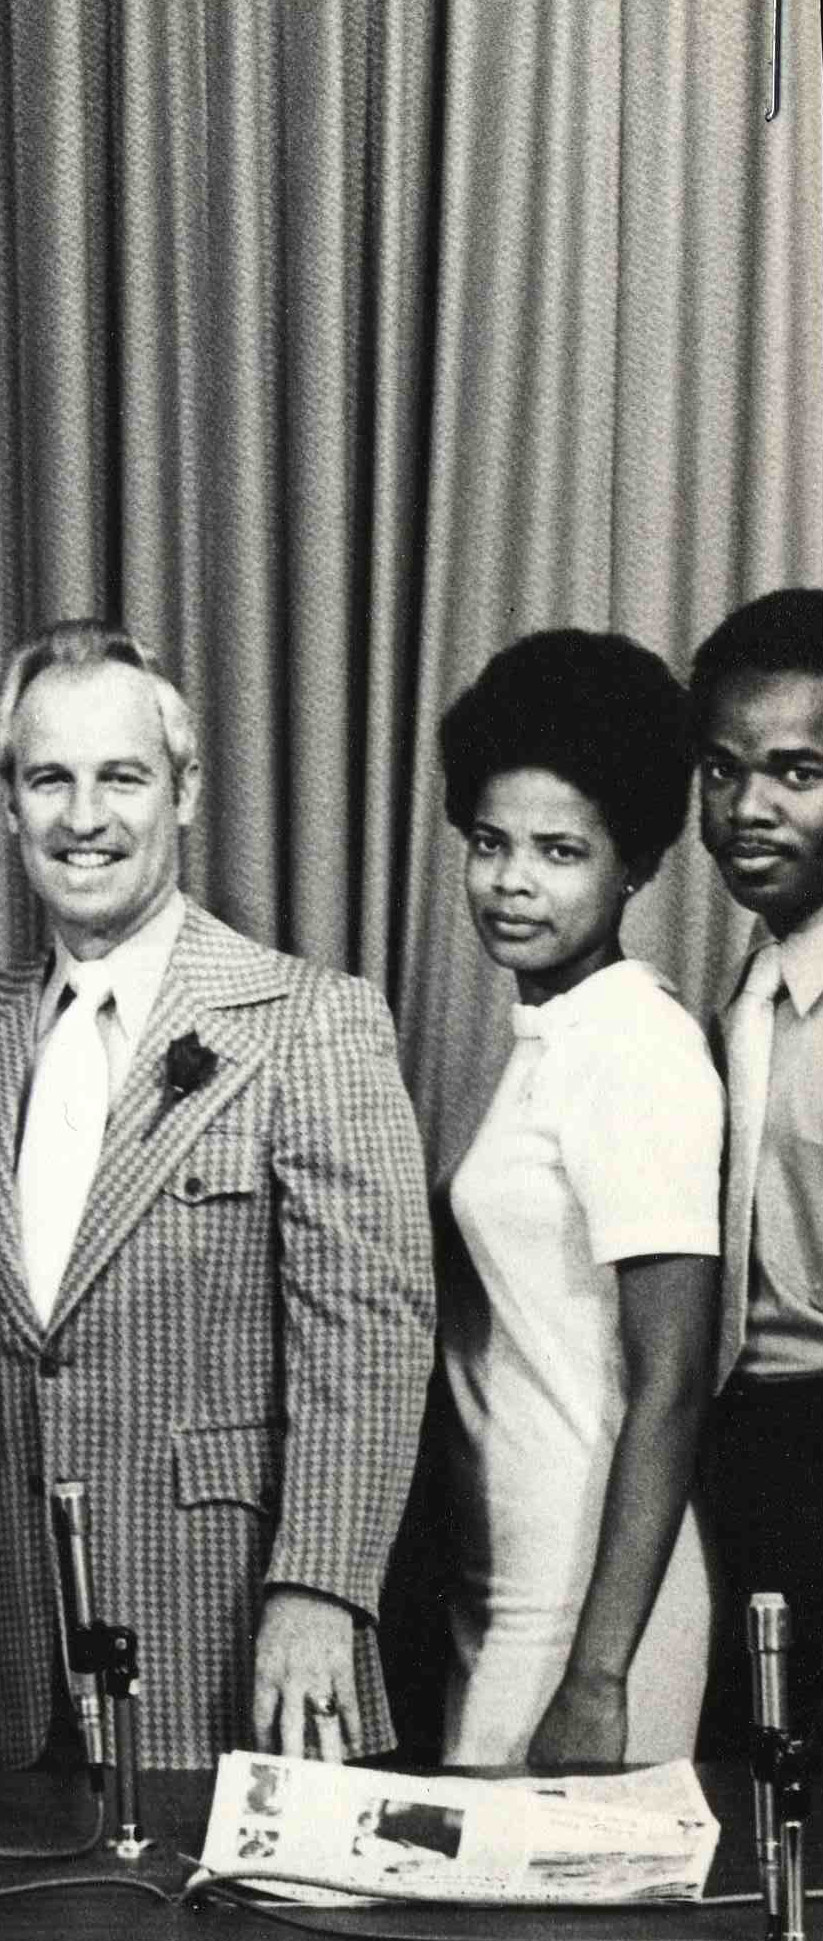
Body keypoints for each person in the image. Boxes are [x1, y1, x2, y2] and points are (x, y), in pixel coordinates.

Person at [0, 622, 434, 1770]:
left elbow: (371, 1343)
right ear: (6, 804)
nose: (81, 817)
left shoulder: (307, 1022)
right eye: (47, 779)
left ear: (183, 790)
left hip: (231, 1643)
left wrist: (320, 1593)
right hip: (2, 1670)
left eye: (119, 778)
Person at [431, 631, 716, 1767]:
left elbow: (672, 1382)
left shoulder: (632, 1044)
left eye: (558, 850)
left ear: (633, 864)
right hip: (506, 1579)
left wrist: (597, 1676)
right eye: (488, 843)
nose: (510, 881)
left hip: (587, 1604)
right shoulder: (547, 1036)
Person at [693, 588, 823, 1730]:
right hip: (750, 1448)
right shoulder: (751, 980)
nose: (749, 807)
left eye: (797, 773)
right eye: (725, 770)